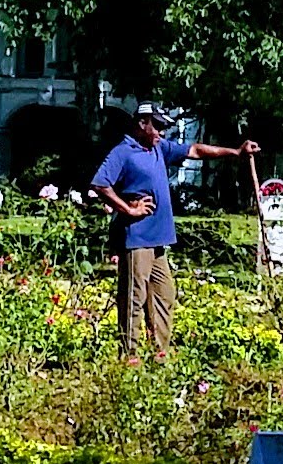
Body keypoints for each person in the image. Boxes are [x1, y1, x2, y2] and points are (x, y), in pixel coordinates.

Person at [88, 105, 256, 360]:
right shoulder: (123, 152)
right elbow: (100, 184)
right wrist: (128, 211)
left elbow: (196, 150)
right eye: (157, 126)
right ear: (142, 123)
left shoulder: (159, 148)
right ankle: (129, 357)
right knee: (134, 298)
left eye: (164, 127)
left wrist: (235, 152)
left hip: (158, 241)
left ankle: (159, 353)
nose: (162, 132)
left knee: (164, 295)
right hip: (136, 238)